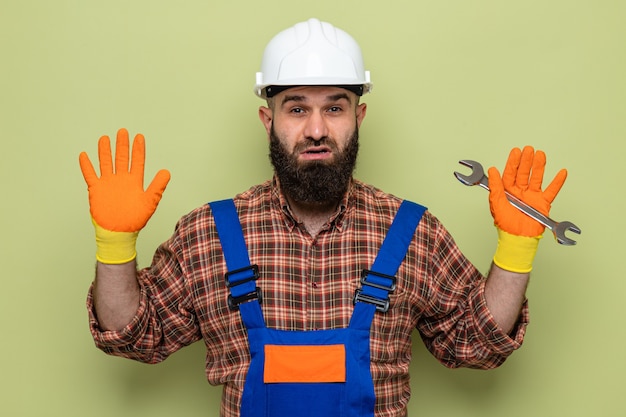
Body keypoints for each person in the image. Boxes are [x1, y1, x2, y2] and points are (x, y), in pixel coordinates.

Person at [79, 18, 568, 417]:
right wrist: (115, 245)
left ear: (359, 117)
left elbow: (475, 347)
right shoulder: (208, 234)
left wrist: (516, 249)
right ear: (269, 121)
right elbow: (135, 339)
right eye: (296, 108)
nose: (316, 129)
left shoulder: (413, 231)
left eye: (335, 107)